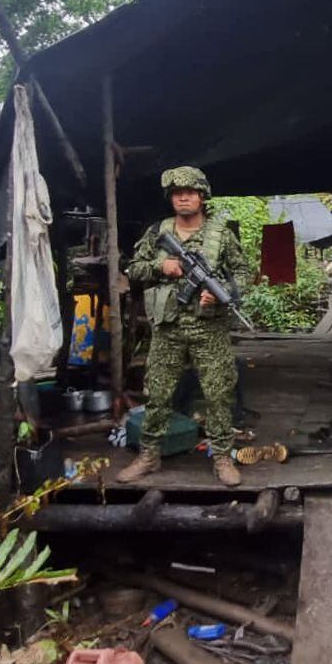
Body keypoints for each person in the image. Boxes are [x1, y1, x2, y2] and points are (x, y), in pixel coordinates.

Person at [117, 166, 249, 486]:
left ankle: (221, 457)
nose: (184, 197)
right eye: (177, 193)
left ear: (202, 196)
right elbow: (132, 269)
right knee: (159, 393)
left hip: (209, 330)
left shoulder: (221, 235)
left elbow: (243, 274)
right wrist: (161, 266)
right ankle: (149, 455)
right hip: (168, 328)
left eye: (190, 192)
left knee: (218, 395)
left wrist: (221, 296)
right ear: (170, 198)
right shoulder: (158, 233)